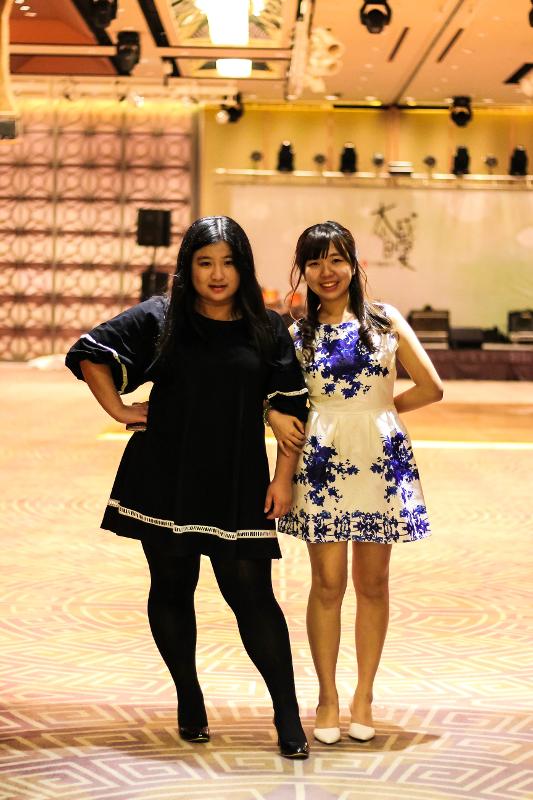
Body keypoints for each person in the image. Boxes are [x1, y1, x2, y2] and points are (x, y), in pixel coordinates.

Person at [65, 215, 310, 759]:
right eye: (204, 263)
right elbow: (88, 351)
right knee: (172, 587)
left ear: (244, 268)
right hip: (166, 475)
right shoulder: (162, 317)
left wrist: (282, 478)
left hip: (237, 479)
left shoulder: (267, 327)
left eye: (228, 263)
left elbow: (292, 406)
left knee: (253, 597)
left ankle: (287, 712)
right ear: (188, 268)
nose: (217, 275)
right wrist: (119, 409)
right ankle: (189, 694)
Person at [267, 220, 443, 745]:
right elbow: (275, 400)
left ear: (354, 265)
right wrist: (274, 420)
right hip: (321, 464)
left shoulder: (386, 320)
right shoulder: (295, 334)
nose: (327, 271)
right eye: (315, 262)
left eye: (336, 259)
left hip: (379, 462)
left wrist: (380, 414)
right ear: (302, 271)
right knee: (326, 584)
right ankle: (326, 696)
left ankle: (363, 695)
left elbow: (431, 387)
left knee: (373, 583)